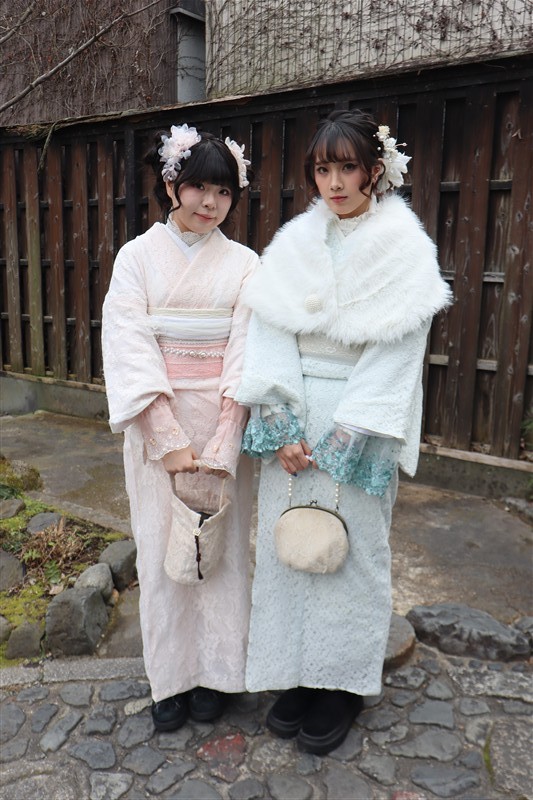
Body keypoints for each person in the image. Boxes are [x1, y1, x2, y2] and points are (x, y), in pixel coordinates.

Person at [235, 109, 452, 754]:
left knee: (351, 554)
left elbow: (398, 350)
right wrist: (278, 422)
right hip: (293, 419)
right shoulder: (295, 241)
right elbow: (267, 328)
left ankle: (341, 684)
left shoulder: (404, 248)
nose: (333, 182)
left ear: (374, 171)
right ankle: (296, 674)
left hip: (358, 422)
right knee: (289, 550)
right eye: (322, 169)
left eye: (347, 168)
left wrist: (350, 432)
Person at [101, 124, 259, 732]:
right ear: (171, 185)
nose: (210, 202)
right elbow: (129, 346)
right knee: (160, 544)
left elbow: (247, 351)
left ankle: (218, 673)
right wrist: (166, 440)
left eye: (223, 191)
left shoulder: (244, 264)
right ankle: (169, 677)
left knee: (222, 550)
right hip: (158, 426)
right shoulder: (136, 258)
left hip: (221, 426)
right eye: (198, 187)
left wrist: (226, 437)